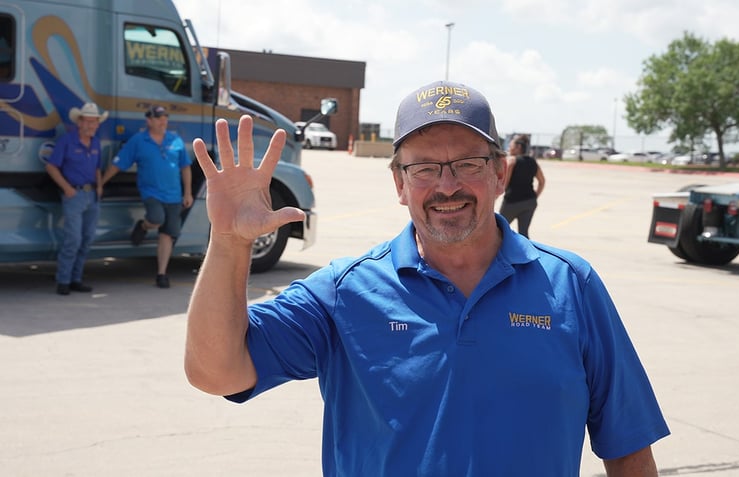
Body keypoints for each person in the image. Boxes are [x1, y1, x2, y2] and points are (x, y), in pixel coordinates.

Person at [184, 80, 669, 476]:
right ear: (399, 183)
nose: (447, 184)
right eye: (424, 168)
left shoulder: (572, 287)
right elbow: (215, 372)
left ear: (499, 174)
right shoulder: (344, 292)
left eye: (466, 164)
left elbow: (627, 449)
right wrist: (229, 243)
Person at [101, 105, 193, 288]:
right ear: (149, 121)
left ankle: (161, 273)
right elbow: (119, 164)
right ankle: (143, 226)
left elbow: (185, 167)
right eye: (159, 118)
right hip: (151, 193)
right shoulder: (138, 141)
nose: (163, 121)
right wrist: (101, 182)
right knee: (156, 219)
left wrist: (188, 192)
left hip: (174, 195)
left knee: (167, 235)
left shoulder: (175, 140)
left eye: (165, 118)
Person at [44, 102, 107, 295]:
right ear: (79, 122)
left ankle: (76, 280)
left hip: (92, 195)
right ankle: (63, 280)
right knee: (73, 239)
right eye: (87, 121)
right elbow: (51, 166)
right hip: (75, 195)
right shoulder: (67, 140)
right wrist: (67, 188)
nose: (91, 125)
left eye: (94, 121)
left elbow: (97, 167)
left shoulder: (95, 142)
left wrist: (100, 185)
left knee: (87, 239)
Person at [499, 133, 545, 238]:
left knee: (499, 230)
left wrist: (494, 197)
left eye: (511, 146)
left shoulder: (512, 161)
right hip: (530, 202)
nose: (509, 148)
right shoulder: (533, 162)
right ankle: (526, 254)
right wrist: (535, 196)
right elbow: (542, 181)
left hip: (512, 202)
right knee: (524, 233)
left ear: (518, 147)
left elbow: (504, 184)